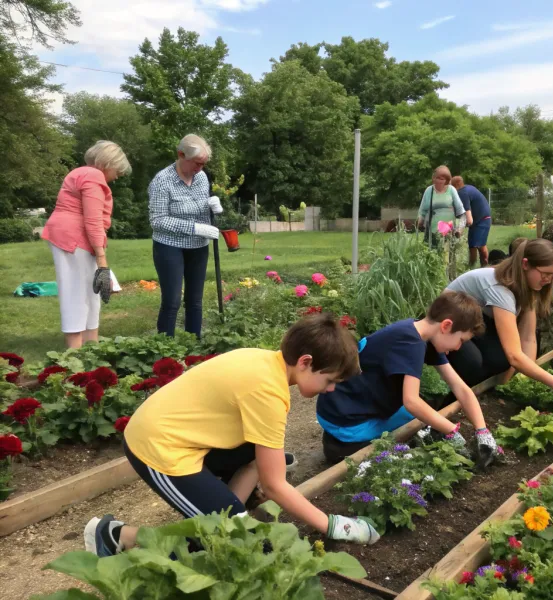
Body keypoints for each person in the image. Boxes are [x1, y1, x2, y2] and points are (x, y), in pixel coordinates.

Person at [84, 314, 380, 557]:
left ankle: (224, 514)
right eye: (329, 381)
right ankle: (118, 537)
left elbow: (265, 459)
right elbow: (276, 486)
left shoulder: (266, 361)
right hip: (159, 449)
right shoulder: (268, 391)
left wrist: (264, 477)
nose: (330, 390)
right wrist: (335, 526)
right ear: (305, 362)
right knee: (244, 547)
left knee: (243, 499)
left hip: (181, 434)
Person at [317, 291, 500, 467]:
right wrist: (452, 431)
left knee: (423, 417)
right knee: (410, 434)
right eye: (461, 340)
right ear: (446, 326)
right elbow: (411, 401)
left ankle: (344, 441)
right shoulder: (410, 343)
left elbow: (459, 387)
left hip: (348, 404)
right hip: (344, 417)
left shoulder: (421, 334)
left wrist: (482, 431)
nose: (459, 348)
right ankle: (340, 446)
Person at [444, 239, 553, 413]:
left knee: (500, 362)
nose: (548, 280)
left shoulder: (527, 286)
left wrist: (521, 382)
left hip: (476, 321)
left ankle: (473, 398)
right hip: (447, 324)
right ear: (525, 264)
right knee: (473, 365)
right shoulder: (500, 288)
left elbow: (528, 338)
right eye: (545, 273)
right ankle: (445, 409)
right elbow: (514, 355)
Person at [41, 141, 132, 349]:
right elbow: (93, 221)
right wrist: (102, 261)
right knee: (76, 293)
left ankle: (92, 346)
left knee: (91, 293)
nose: (117, 176)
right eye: (116, 170)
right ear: (106, 163)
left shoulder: (82, 173)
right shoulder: (93, 176)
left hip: (75, 238)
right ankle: (75, 352)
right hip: (73, 239)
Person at [149, 134, 223, 338]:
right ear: (181, 154)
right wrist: (194, 228)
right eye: (197, 163)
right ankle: (165, 348)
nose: (200, 168)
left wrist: (212, 208)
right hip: (169, 245)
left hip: (198, 246)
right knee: (172, 300)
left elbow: (200, 209)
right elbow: (158, 220)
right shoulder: (162, 181)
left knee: (195, 300)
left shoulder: (201, 177)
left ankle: (194, 347)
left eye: (203, 163)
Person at [417, 165, 466, 246]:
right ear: (433, 178)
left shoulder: (451, 190)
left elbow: (462, 213)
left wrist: (459, 230)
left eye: (442, 179)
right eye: (437, 178)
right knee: (432, 254)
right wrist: (419, 224)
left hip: (449, 233)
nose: (439, 181)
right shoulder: (429, 191)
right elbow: (422, 211)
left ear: (446, 180)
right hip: (431, 233)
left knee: (447, 256)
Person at [451, 176, 491, 267]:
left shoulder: (462, 193)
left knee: (480, 245)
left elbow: (468, 219)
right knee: (472, 245)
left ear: (455, 185)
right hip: (479, 219)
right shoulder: (467, 188)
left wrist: (459, 230)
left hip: (482, 220)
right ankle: (471, 266)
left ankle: (484, 266)